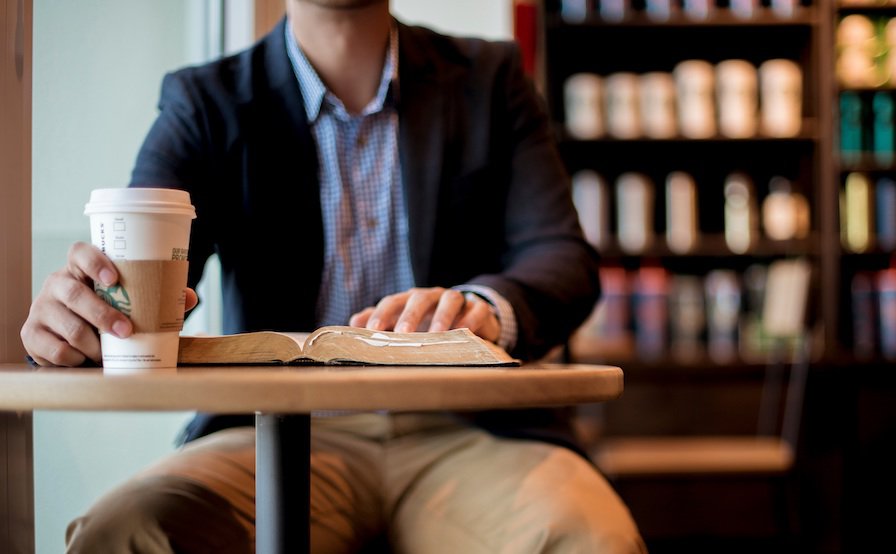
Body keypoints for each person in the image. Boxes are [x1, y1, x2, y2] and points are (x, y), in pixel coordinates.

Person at [21, 0, 646, 552]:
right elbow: (138, 265)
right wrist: (91, 312)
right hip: (272, 431)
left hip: (469, 428)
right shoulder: (206, 100)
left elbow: (563, 260)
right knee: (125, 534)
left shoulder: (490, 78)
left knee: (592, 539)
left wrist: (483, 306)